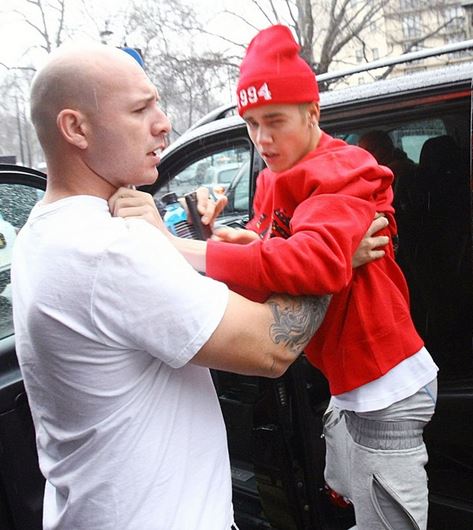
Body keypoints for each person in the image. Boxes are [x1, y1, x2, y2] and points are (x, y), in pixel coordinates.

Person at [119, 25, 439, 530]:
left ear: (312, 113)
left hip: (386, 387)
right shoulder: (273, 177)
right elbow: (273, 268)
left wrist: (181, 247)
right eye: (251, 123)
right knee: (344, 502)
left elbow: (310, 264)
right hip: (344, 385)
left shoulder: (344, 170)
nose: (262, 139)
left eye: (275, 121)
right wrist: (238, 240)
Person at [11, 43, 332, 530]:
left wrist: (192, 245)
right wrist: (330, 254)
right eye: (140, 109)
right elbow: (270, 348)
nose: (164, 123)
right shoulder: (108, 249)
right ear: (76, 128)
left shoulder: (45, 230)